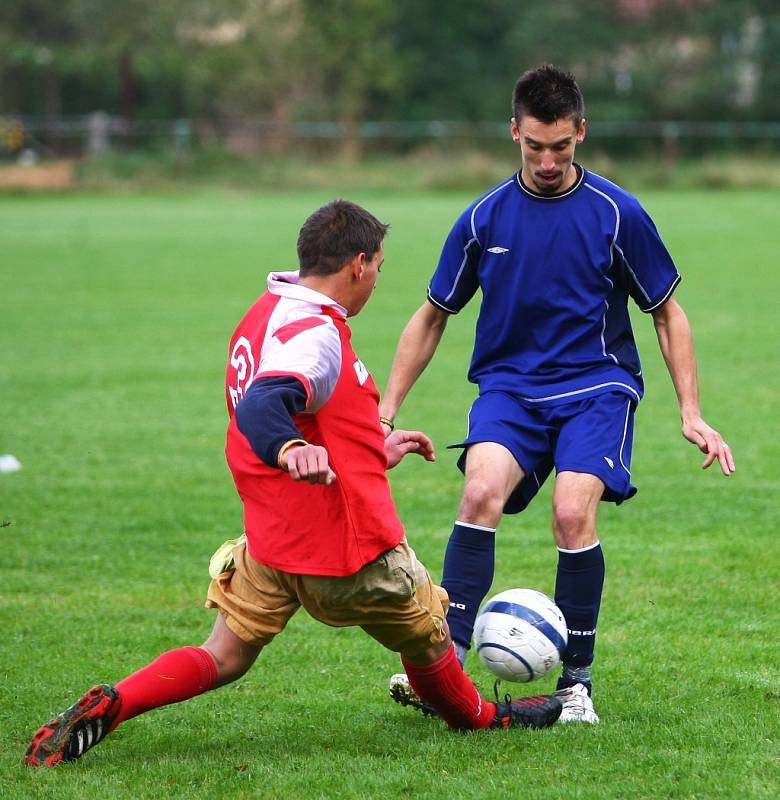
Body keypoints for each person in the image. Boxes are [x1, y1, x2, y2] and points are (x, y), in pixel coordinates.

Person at [24, 200, 563, 768]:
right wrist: (290, 447)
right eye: (379, 266)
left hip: (271, 542)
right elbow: (265, 405)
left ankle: (116, 702)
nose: (378, 279)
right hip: (347, 549)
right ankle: (485, 717)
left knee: (225, 654)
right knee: (428, 631)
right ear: (358, 264)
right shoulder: (316, 335)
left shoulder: (265, 313)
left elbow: (301, 412)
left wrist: (368, 451)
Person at [381, 66, 735, 725]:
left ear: (581, 134)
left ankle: (576, 688)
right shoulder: (484, 218)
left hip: (597, 387)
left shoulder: (616, 213)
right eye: (535, 147)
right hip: (511, 388)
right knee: (479, 492)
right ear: (514, 132)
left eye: (562, 148)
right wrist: (386, 409)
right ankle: (445, 668)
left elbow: (667, 312)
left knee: (573, 514)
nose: (548, 162)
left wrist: (692, 413)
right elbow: (433, 315)